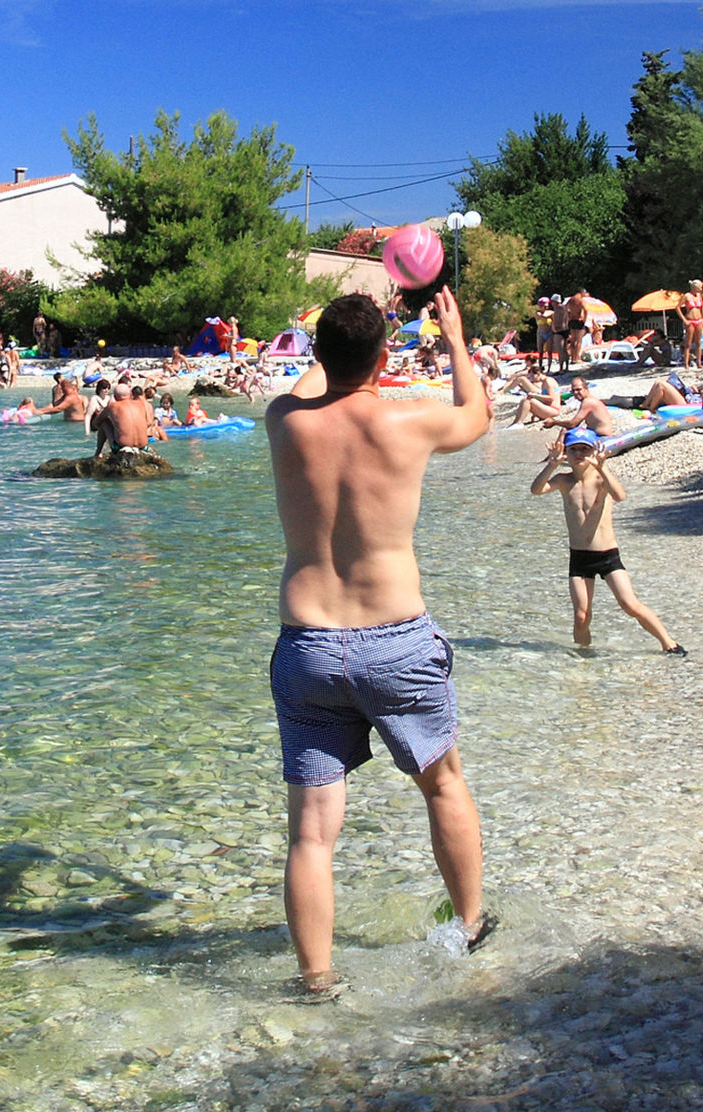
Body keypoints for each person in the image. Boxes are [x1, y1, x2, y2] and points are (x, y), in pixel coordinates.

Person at [263, 288, 494, 994]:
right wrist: (453, 337)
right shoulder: (410, 424)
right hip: (394, 641)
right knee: (443, 786)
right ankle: (470, 928)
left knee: (311, 834)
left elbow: (313, 384)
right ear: (385, 358)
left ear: (318, 354)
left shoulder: (283, 421)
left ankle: (316, 977)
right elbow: (478, 416)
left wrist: (336, 343)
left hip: (307, 644)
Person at [530, 430, 686, 654]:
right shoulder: (564, 481)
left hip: (607, 555)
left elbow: (620, 495)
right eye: (574, 449)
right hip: (579, 557)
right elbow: (536, 490)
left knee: (629, 604)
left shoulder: (601, 479)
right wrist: (552, 465)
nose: (579, 454)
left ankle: (669, 643)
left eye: (585, 449)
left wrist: (603, 466)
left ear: (594, 451)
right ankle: (583, 653)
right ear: (566, 453)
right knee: (581, 615)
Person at [679, 282, 703, 365]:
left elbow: (702, 307)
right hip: (690, 320)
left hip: (699, 320)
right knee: (688, 343)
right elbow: (677, 307)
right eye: (700, 287)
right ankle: (686, 363)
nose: (701, 289)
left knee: (698, 342)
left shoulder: (699, 296)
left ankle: (699, 362)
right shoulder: (687, 296)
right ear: (695, 287)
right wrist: (684, 320)